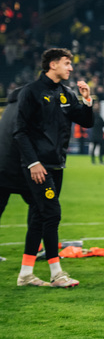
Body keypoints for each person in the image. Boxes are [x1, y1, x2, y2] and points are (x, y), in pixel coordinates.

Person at [14, 48, 94, 287]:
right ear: (52, 64)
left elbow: (86, 121)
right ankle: (56, 273)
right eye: (67, 63)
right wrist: (33, 162)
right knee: (52, 214)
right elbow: (19, 132)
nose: (71, 68)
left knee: (39, 217)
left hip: (56, 164)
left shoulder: (66, 93)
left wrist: (86, 100)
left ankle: (26, 274)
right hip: (39, 166)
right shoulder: (31, 92)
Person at [0, 87, 35, 263]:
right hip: (19, 169)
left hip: (2, 167)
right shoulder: (25, 110)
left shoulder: (9, 108)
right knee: (40, 207)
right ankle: (36, 248)